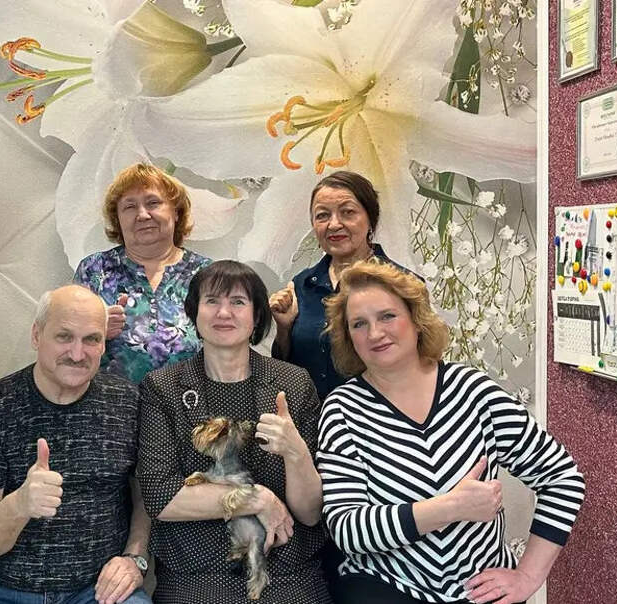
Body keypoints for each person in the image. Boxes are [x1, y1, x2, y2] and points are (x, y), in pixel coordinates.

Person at [317, 260, 586, 604]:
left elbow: (562, 478)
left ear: (416, 319)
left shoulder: (473, 391)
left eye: (387, 316)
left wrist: (528, 576)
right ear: (348, 337)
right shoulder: (343, 409)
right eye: (359, 324)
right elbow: (347, 530)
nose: (375, 333)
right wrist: (449, 508)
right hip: (388, 587)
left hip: (481, 590)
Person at [137, 260, 331, 603]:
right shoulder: (162, 387)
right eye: (212, 301)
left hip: (286, 571)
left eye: (238, 302)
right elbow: (160, 496)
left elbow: (310, 512)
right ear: (194, 313)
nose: (224, 312)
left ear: (256, 317)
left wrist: (296, 453)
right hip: (196, 576)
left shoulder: (293, 383)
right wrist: (256, 499)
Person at [0, 284, 151, 604]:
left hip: (98, 589)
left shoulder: (129, 403)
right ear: (36, 335)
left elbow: (146, 496)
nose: (77, 354)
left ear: (103, 344)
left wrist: (134, 558)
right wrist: (20, 504)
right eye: (64, 337)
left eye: (91, 339)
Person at [269, 170, 413, 401]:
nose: (334, 224)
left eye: (348, 212)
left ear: (370, 219)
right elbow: (287, 370)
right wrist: (284, 329)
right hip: (309, 420)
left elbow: (420, 366)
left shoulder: (403, 284)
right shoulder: (302, 285)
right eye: (322, 216)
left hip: (379, 418)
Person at [74, 163, 211, 384]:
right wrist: (95, 331)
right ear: (118, 219)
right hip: (111, 403)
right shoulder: (94, 270)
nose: (142, 214)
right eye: (129, 206)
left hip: (190, 403)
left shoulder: (208, 275)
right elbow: (66, 343)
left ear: (176, 212)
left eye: (153, 203)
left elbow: (228, 346)